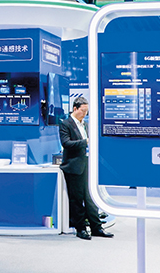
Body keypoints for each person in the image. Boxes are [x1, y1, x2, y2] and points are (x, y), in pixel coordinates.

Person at [59, 96, 113, 240]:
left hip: (87, 165)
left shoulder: (86, 125)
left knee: (91, 198)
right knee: (76, 199)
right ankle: (81, 229)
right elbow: (66, 143)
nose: (85, 114)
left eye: (87, 111)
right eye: (83, 111)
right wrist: (86, 141)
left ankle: (96, 228)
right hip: (73, 167)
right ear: (75, 108)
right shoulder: (66, 124)